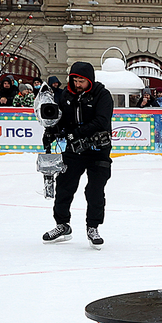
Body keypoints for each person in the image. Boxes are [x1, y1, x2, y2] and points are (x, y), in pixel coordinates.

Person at [41, 61, 114, 248]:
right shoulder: (66, 95)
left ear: (90, 80)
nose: (78, 84)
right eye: (75, 80)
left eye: (81, 80)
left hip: (98, 149)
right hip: (74, 149)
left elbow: (102, 121)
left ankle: (93, 227)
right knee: (64, 186)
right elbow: (62, 120)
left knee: (95, 190)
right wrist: (51, 130)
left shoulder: (102, 95)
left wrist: (77, 133)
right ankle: (62, 225)